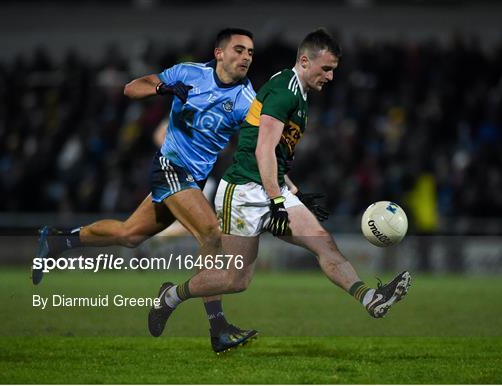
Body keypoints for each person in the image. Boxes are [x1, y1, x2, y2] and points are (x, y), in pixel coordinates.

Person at [147, 28, 412, 339]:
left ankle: (370, 298)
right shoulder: (285, 90)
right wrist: (277, 200)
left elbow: (276, 153)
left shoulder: (299, 95)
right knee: (236, 279)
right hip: (244, 191)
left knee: (323, 242)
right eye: (325, 69)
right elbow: (263, 149)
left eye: (333, 70)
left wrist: (290, 191)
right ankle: (170, 296)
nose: (330, 77)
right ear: (304, 60)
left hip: (273, 189)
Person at [33, 28, 260, 353]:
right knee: (211, 233)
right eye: (239, 50)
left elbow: (259, 142)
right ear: (220, 52)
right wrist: (162, 87)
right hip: (170, 167)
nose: (246, 57)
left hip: (191, 181)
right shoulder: (189, 73)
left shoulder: (245, 100)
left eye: (251, 53)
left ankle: (58, 240)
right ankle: (217, 327)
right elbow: (130, 88)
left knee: (129, 235)